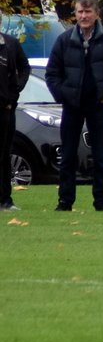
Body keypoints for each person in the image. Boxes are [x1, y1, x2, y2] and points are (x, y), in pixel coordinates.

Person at [44, 0, 103, 212]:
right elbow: (52, 73)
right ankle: (65, 202)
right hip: (72, 105)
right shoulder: (64, 40)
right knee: (68, 154)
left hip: (98, 104)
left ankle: (101, 201)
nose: (83, 16)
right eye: (80, 12)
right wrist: (62, 95)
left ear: (96, 14)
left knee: (100, 154)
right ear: (75, 14)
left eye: (88, 12)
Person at [0, 28, 27, 211]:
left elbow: (25, 68)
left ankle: (5, 200)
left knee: (3, 155)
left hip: (5, 109)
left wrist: (14, 92)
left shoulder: (10, 44)